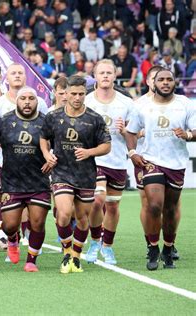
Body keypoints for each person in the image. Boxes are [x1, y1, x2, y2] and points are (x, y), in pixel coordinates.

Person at [40, 75, 111, 274]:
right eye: (73, 94)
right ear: (66, 94)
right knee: (63, 214)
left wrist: (89, 152)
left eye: (81, 94)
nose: (77, 97)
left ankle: (76, 256)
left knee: (82, 218)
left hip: (86, 175)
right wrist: (47, 154)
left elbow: (106, 146)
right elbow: (43, 138)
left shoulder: (94, 118)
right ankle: (67, 251)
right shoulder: (53, 116)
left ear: (85, 94)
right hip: (61, 173)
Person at [125, 69, 195, 270]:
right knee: (155, 205)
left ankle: (168, 247)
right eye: (161, 79)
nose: (165, 83)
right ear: (153, 83)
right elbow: (130, 132)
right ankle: (153, 247)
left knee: (170, 209)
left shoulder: (185, 104)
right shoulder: (142, 106)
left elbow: (195, 131)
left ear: (175, 83)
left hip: (176, 163)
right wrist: (132, 152)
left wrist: (188, 135)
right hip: (150, 161)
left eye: (169, 79)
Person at [0, 86, 51, 272]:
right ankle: (13, 240)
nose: (27, 102)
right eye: (23, 98)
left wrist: (53, 161)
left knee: (38, 222)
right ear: (17, 100)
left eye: (31, 98)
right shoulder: (4, 121)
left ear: (37, 101)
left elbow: (59, 146)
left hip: (38, 181)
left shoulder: (46, 122)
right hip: (12, 182)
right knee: (9, 225)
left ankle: (32, 260)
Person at [84, 59, 136, 265]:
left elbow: (136, 134)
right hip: (93, 161)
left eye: (109, 73)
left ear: (115, 76)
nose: (105, 76)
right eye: (101, 73)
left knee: (112, 207)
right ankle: (95, 241)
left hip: (117, 161)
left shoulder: (126, 103)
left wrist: (125, 131)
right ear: (95, 76)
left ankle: (107, 246)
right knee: (97, 200)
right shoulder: (87, 101)